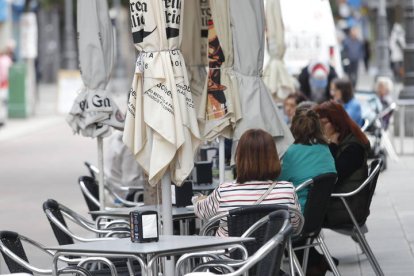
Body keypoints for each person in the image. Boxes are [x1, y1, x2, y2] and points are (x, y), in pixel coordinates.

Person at [193, 128, 301, 237]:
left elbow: (200, 212)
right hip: (272, 252)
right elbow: (295, 227)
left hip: (228, 252)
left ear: (239, 157)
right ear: (273, 157)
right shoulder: (287, 190)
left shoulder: (225, 191)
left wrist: (198, 199)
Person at [315, 101, 370, 227]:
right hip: (342, 202)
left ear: (336, 123)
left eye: (322, 123)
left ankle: (305, 246)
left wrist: (331, 146)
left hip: (345, 207)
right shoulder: (346, 141)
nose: (319, 128)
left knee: (298, 217)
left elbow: (332, 176)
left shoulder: (353, 148)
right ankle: (308, 247)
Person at [278, 108, 336, 212]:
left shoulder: (290, 152)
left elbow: (279, 183)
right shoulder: (325, 148)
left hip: (296, 213)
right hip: (321, 212)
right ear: (318, 127)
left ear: (293, 126)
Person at [104, 130, 148, 203]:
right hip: (120, 197)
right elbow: (131, 181)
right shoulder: (131, 143)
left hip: (109, 190)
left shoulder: (115, 134)